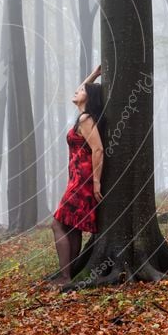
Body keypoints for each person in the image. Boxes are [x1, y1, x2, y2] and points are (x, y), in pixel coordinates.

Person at [48, 65, 105, 287]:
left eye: (82, 91)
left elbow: (98, 149)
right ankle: (68, 274)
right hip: (77, 179)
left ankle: (65, 277)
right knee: (71, 226)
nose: (76, 91)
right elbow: (81, 89)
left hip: (83, 180)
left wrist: (97, 182)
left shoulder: (85, 120)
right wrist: (94, 74)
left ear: (88, 98)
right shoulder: (83, 116)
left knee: (57, 224)